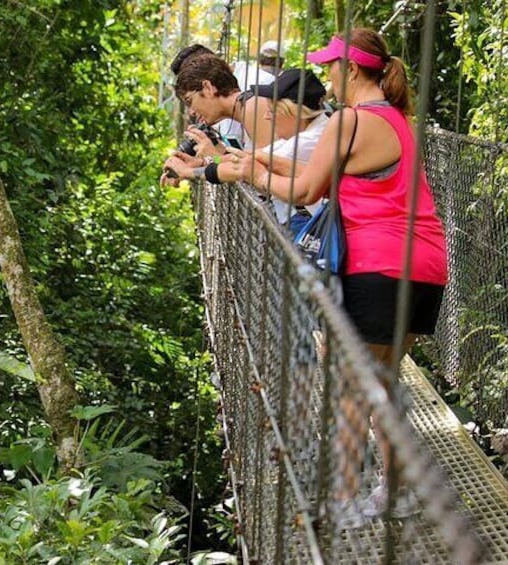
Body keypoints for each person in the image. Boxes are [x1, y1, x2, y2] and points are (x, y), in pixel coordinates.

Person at [230, 28, 448, 525]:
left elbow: (306, 192)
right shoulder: (393, 118)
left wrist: (247, 174)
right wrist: (259, 158)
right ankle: (396, 494)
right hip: (424, 265)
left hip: (378, 267)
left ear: (351, 69)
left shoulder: (348, 119)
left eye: (330, 66)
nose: (326, 76)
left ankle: (346, 500)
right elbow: (322, 175)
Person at [163, 69, 329, 234]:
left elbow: (242, 168)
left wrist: (189, 172)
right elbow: (247, 157)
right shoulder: (305, 134)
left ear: (294, 112)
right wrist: (203, 162)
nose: (267, 117)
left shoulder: (305, 142)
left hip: (309, 226)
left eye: (272, 110)